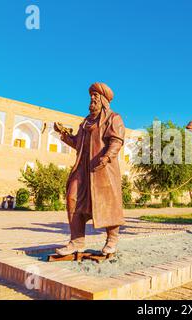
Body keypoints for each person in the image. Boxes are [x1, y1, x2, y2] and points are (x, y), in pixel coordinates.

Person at [54, 82, 125, 256]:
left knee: (108, 203)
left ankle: (112, 240)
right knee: (72, 197)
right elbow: (78, 143)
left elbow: (117, 140)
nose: (92, 99)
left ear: (103, 99)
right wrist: (64, 134)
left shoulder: (113, 118)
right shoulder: (86, 122)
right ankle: (77, 241)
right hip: (83, 168)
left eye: (95, 96)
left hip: (102, 168)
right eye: (91, 95)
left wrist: (108, 156)